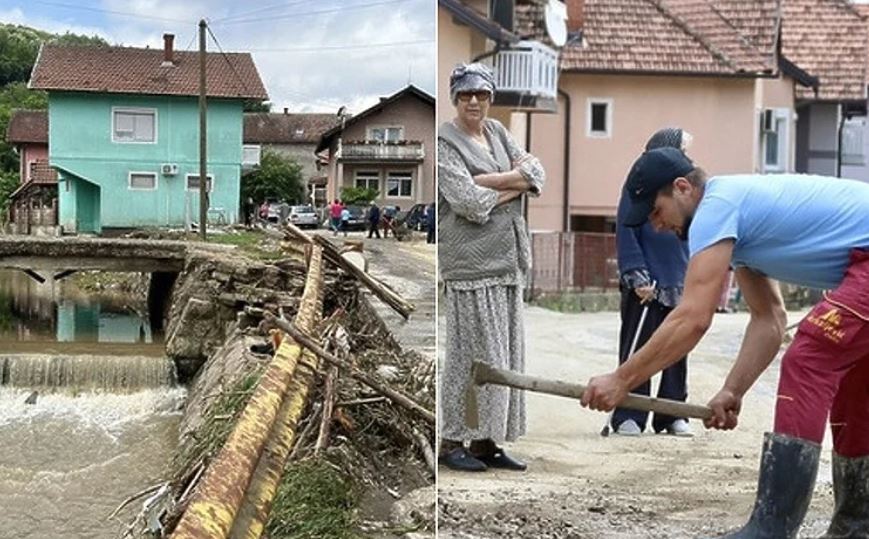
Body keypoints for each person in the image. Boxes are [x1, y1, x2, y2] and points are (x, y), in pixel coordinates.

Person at [580, 147, 869, 537]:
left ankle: (771, 529)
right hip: (860, 264)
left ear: (683, 188)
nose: (657, 226)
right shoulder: (737, 225)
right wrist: (732, 389)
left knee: (810, 356)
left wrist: (621, 379)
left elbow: (692, 318)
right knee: (852, 373)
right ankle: (857, 526)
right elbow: (769, 318)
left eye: (656, 211)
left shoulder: (716, 207)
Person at [438, 62, 545, 472]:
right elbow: (466, 202)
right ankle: (452, 440)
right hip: (469, 266)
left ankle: (486, 439)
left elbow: (537, 173)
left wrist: (490, 180)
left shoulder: (498, 132)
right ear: (454, 98)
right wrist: (514, 184)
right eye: (465, 94)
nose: (473, 101)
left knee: (502, 355)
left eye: (480, 94)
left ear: (489, 98)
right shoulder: (446, 142)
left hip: (506, 260)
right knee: (468, 357)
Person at [610, 127, 692, 437]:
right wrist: (637, 274)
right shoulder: (639, 184)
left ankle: (672, 413)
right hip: (647, 279)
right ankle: (629, 412)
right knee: (638, 347)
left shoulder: (685, 189)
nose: (685, 156)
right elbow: (626, 230)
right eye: (681, 150)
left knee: (677, 347)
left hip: (679, 276)